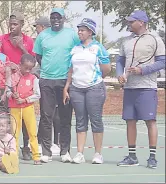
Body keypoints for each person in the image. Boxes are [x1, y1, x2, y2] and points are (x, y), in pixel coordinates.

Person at [116, 10, 165, 169]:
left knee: (150, 121)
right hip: (129, 88)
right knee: (130, 121)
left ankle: (152, 158)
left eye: (132, 21)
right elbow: (120, 61)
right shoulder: (125, 41)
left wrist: (143, 70)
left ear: (141, 22)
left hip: (147, 88)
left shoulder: (155, 39)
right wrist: (119, 75)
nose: (129, 24)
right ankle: (132, 156)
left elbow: (162, 62)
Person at [33, 8, 80, 163]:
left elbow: (78, 53)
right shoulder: (42, 36)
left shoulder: (72, 35)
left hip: (65, 82)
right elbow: (38, 56)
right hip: (46, 80)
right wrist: (48, 68)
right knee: (46, 116)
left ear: (64, 19)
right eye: (53, 18)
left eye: (58, 17)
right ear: (50, 19)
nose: (55, 20)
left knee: (65, 117)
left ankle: (64, 151)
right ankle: (46, 152)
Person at [62, 18, 110, 165]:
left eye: (83, 30)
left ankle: (97, 154)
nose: (80, 32)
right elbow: (71, 70)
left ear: (90, 32)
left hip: (94, 88)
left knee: (96, 121)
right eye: (79, 30)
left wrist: (94, 79)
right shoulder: (75, 48)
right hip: (76, 89)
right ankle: (80, 153)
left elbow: (106, 68)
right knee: (80, 121)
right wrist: (66, 87)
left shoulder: (98, 47)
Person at [2, 12, 38, 161]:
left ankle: (26, 148)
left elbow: (32, 60)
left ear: (21, 25)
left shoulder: (28, 40)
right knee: (11, 121)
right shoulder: (3, 39)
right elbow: (2, 59)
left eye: (15, 24)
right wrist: (9, 67)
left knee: (27, 124)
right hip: (8, 81)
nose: (12, 26)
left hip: (25, 84)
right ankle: (10, 150)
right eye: (11, 24)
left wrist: (22, 47)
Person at [7, 54, 41, 165]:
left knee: (32, 132)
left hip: (28, 107)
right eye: (25, 67)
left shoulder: (33, 78)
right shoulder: (12, 77)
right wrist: (12, 95)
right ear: (19, 65)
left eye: (30, 69)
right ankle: (14, 156)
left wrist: (25, 100)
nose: (28, 70)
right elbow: (7, 91)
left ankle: (36, 156)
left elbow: (37, 94)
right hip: (14, 108)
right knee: (15, 133)